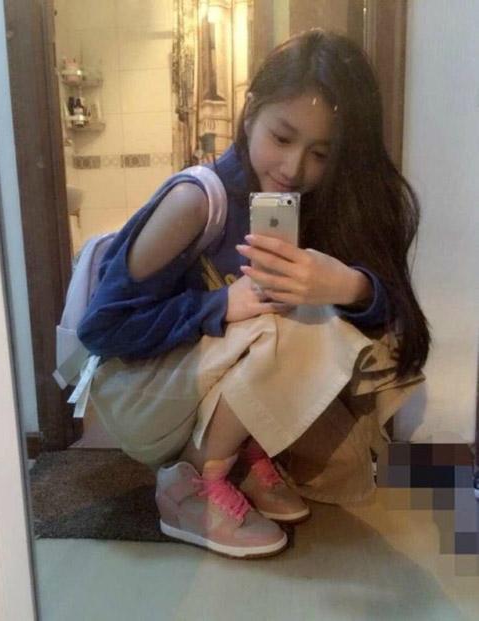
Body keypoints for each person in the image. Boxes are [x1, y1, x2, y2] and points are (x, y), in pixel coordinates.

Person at [77, 29, 431, 559]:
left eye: (320, 153)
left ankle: (243, 454)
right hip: (143, 396)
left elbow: (396, 326)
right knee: (292, 317)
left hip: (200, 389)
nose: (294, 168)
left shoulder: (312, 205)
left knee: (327, 314)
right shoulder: (196, 202)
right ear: (250, 115)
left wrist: (346, 284)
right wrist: (220, 305)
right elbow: (101, 330)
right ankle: (192, 484)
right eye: (282, 138)